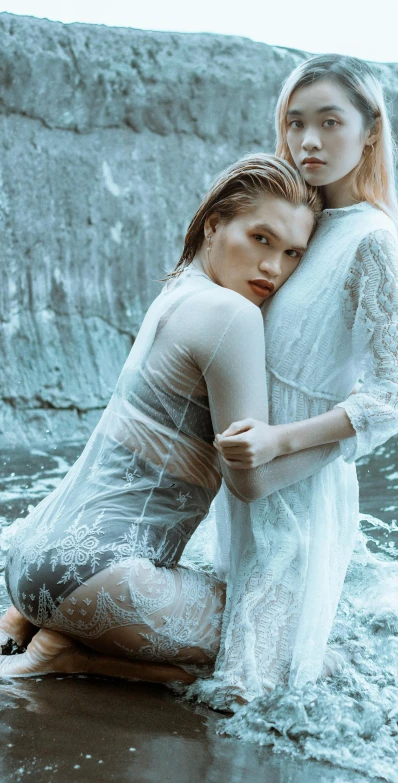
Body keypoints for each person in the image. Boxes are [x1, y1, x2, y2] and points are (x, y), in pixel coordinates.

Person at [0, 154, 346, 682]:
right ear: (214, 225)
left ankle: (38, 627)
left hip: (28, 562)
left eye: (293, 253)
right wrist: (347, 431)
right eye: (261, 239)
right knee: (285, 647)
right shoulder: (234, 315)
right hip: (105, 583)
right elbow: (248, 482)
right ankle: (75, 656)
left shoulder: (179, 289)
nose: (273, 268)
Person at [194, 54, 398, 711]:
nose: (308, 140)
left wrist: (281, 439)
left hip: (294, 473)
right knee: (227, 635)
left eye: (329, 123)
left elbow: (395, 389)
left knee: (247, 690)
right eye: (295, 124)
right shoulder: (301, 222)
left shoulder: (370, 237)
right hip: (245, 472)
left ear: (369, 132)